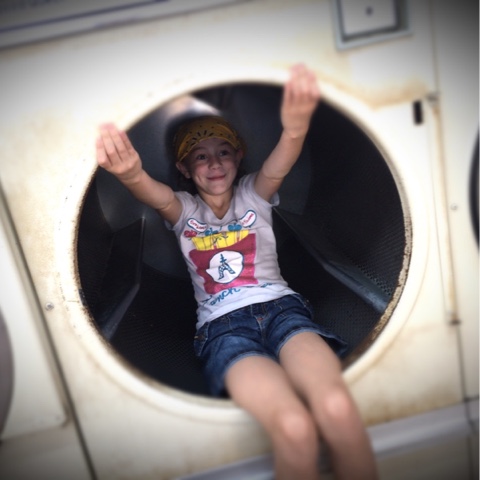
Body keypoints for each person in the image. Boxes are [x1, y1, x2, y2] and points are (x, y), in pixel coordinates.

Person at [96, 64, 378, 480]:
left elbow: (278, 167)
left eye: (223, 151)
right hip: (224, 330)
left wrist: (295, 129)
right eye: (200, 156)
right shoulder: (184, 210)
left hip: (283, 312)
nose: (214, 162)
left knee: (336, 407)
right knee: (294, 428)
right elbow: (154, 195)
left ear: (238, 157)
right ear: (184, 169)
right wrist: (131, 174)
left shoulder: (253, 195)